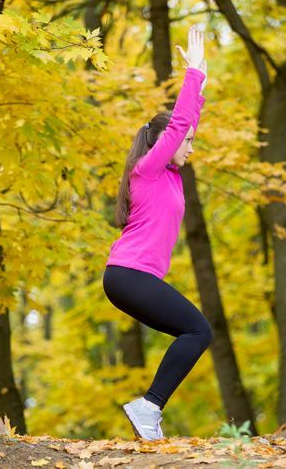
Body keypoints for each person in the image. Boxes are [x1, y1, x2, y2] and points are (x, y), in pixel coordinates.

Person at [101, 26, 212, 441]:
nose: (192, 147)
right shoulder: (146, 170)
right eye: (189, 142)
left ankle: (149, 408)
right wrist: (192, 75)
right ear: (166, 142)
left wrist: (200, 95)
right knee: (199, 330)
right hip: (128, 275)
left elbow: (187, 121)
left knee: (193, 332)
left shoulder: (169, 177)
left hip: (132, 278)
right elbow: (179, 122)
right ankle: (148, 406)